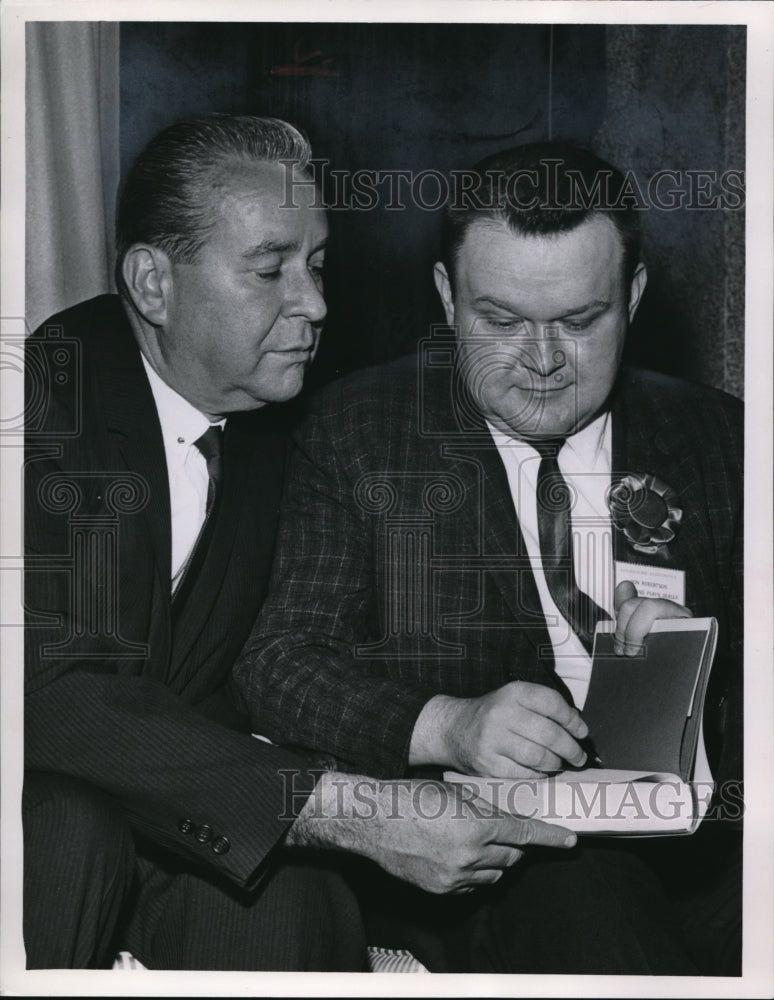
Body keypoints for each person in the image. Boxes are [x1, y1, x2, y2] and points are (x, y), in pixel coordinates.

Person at [23, 117, 579, 971]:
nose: (315, 303)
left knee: (296, 893)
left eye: (316, 266)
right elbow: (49, 691)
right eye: (270, 268)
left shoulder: (273, 428)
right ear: (152, 284)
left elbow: (317, 650)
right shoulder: (40, 404)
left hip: (172, 813)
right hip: (52, 816)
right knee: (71, 830)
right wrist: (348, 809)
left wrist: (582, 671)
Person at [235, 141, 743, 974]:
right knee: (595, 900)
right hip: (503, 863)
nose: (541, 361)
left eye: (581, 321)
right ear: (446, 298)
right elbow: (280, 661)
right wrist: (448, 724)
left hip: (711, 848)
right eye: (500, 320)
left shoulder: (722, 438)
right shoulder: (358, 434)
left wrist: (706, 657)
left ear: (635, 297)